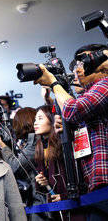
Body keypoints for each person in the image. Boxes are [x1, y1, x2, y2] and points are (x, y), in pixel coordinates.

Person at [35, 44, 108, 220]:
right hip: (94, 187)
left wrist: (54, 83)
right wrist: (67, 127)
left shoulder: (106, 84)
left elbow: (74, 109)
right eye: (75, 65)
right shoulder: (89, 94)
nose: (77, 69)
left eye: (83, 62)